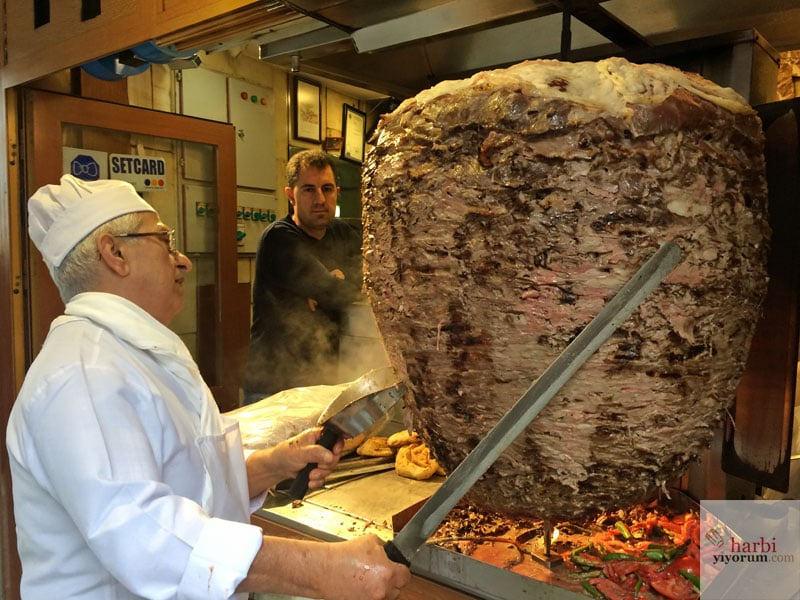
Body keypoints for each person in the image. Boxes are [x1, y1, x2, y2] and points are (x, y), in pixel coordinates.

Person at [5, 175, 410, 599]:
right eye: (164, 241)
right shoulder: (83, 373)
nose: (182, 261)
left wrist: (271, 464)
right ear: (115, 252)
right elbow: (145, 538)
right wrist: (319, 567)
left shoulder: (133, 354)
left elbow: (186, 477)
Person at [244, 150, 362, 402]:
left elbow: (373, 275)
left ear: (337, 192)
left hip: (321, 380)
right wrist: (332, 287)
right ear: (290, 195)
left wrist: (335, 284)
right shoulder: (279, 238)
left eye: (327, 188)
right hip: (274, 386)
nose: (320, 199)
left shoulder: (345, 233)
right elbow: (333, 293)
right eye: (308, 189)